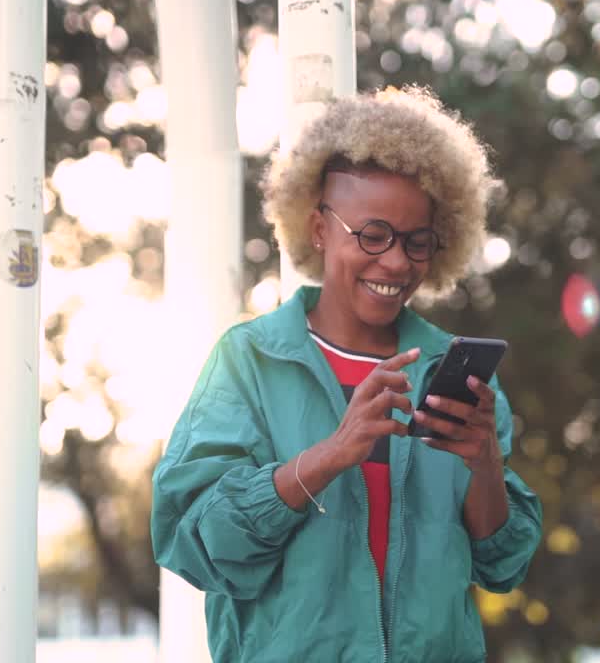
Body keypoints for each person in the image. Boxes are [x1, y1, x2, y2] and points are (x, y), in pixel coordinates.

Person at [151, 87, 542, 662]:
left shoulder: (449, 368)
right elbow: (199, 545)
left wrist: (484, 463)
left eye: (416, 242)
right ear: (317, 227)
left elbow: (502, 566)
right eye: (373, 234)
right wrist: (331, 453)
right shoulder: (250, 361)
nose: (396, 262)